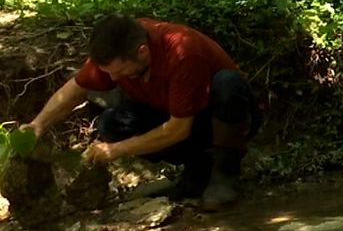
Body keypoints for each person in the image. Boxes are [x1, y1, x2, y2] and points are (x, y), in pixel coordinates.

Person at [24, 14, 261, 210]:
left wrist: (116, 150)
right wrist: (38, 124)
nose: (113, 78)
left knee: (227, 84)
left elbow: (178, 129)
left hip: (218, 118)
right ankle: (197, 170)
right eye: (109, 73)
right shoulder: (117, 52)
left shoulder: (182, 52)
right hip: (173, 114)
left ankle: (224, 173)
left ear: (142, 51)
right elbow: (75, 90)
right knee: (111, 123)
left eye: (120, 71)